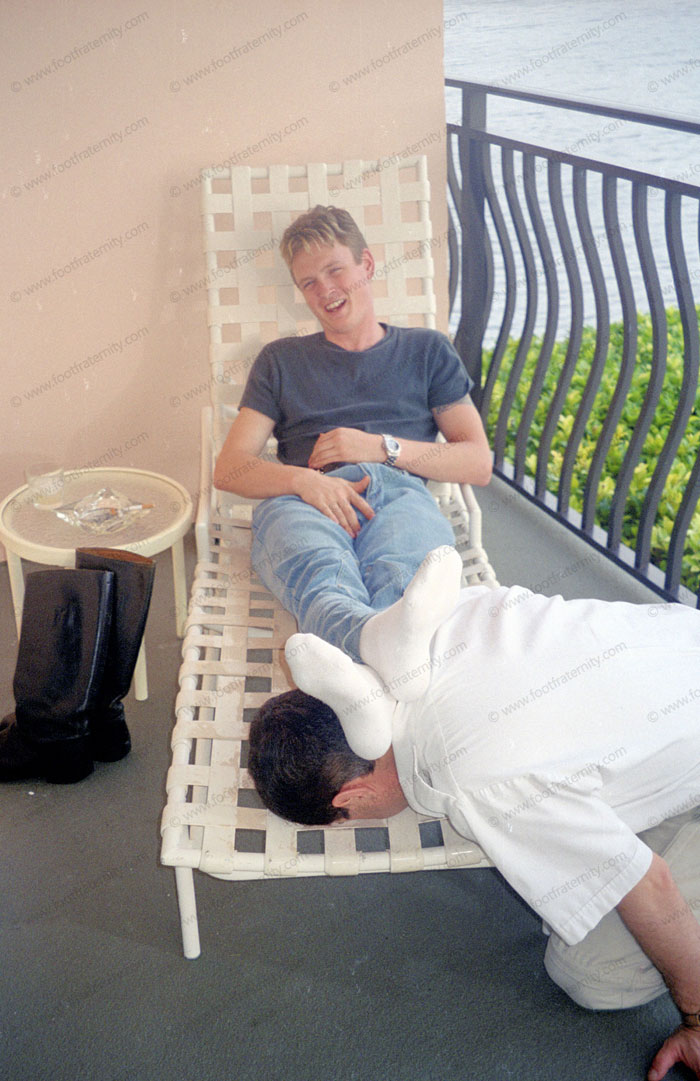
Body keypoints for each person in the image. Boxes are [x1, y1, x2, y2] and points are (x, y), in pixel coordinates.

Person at [248, 551, 700, 1081]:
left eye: (344, 820)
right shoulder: (442, 624)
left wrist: (695, 1019)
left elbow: (646, 883)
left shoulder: (472, 780)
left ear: (351, 798)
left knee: (592, 976)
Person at [212, 205, 492, 673]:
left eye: (335, 270)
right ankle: (389, 671)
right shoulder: (280, 361)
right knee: (324, 580)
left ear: (366, 264)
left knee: (405, 584)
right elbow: (229, 468)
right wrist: (303, 481)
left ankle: (364, 675)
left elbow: (476, 462)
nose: (325, 289)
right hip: (305, 501)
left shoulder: (426, 350)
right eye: (309, 282)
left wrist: (381, 448)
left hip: (400, 495)